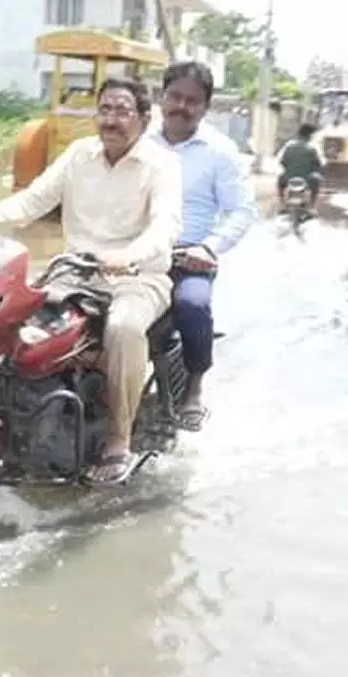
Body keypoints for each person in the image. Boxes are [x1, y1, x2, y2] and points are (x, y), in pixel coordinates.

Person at [0, 78, 182, 485]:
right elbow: (33, 200)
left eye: (122, 111)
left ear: (145, 119)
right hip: (73, 272)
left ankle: (118, 439)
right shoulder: (79, 155)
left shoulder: (162, 165)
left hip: (137, 276)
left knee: (125, 328)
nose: (110, 120)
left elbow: (164, 224)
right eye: (105, 109)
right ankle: (8, 421)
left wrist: (128, 255)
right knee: (12, 322)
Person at [148, 60, 257, 432]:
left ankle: (193, 388)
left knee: (192, 306)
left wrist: (209, 247)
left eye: (192, 100)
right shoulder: (139, 142)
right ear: (160, 98)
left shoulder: (220, 151)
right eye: (175, 96)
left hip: (188, 256)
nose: (182, 106)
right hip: (138, 252)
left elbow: (241, 211)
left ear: (206, 107)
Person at [277, 122, 324, 207]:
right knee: (317, 180)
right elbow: (319, 163)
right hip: (308, 178)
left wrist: (289, 169)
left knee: (280, 179)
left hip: (289, 177)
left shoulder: (289, 145)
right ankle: (312, 205)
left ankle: (282, 202)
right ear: (310, 135)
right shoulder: (313, 146)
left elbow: (282, 161)